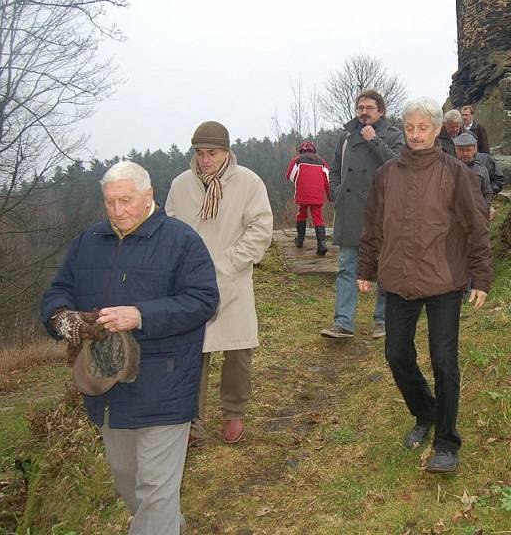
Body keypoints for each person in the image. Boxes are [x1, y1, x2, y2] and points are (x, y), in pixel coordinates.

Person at [40, 160, 219, 534]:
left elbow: (204, 301)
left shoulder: (182, 241)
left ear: (148, 195)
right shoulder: (87, 242)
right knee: (128, 480)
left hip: (165, 383)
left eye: (126, 200)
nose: (117, 211)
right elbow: (59, 288)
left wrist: (140, 315)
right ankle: (170, 525)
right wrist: (59, 316)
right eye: (109, 202)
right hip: (107, 384)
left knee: (155, 487)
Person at [357, 97, 492, 474]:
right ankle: (425, 412)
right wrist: (366, 268)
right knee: (397, 355)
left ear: (436, 131)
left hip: (445, 280)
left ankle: (446, 442)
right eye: (411, 128)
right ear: (405, 129)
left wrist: (480, 276)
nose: (416, 135)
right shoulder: (386, 175)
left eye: (424, 128)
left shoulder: (455, 173)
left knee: (444, 362)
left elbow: (476, 227)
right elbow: (373, 227)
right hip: (398, 280)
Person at [166, 121, 273, 446]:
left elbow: (260, 229)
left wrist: (227, 262)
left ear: (226, 151)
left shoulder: (248, 182)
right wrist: (184, 269)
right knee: (191, 355)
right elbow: (169, 231)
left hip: (233, 280)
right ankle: (191, 422)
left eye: (212, 152)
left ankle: (234, 411)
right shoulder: (181, 185)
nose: (205, 159)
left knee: (238, 351)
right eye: (200, 153)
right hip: (190, 286)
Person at [320, 89, 404, 340]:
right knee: (347, 267)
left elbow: (400, 167)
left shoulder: (394, 135)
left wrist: (375, 140)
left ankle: (383, 321)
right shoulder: (346, 135)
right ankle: (343, 322)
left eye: (369, 108)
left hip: (382, 211)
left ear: (381, 110)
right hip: (350, 211)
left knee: (385, 268)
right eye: (360, 108)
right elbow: (333, 168)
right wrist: (336, 193)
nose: (364, 113)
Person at [286, 141, 331, 255]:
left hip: (303, 192)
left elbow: (289, 175)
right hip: (317, 193)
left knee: (301, 213)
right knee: (317, 216)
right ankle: (321, 244)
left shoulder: (297, 160)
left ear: (301, 151)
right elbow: (327, 179)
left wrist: (300, 180)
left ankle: (300, 240)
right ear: (314, 151)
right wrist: (329, 194)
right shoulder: (322, 162)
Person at [453, 132, 493, 209]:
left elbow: (487, 193)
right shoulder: (448, 169)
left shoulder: (481, 170)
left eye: (468, 150)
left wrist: (484, 210)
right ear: (456, 150)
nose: (465, 153)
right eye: (461, 150)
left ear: (474, 150)